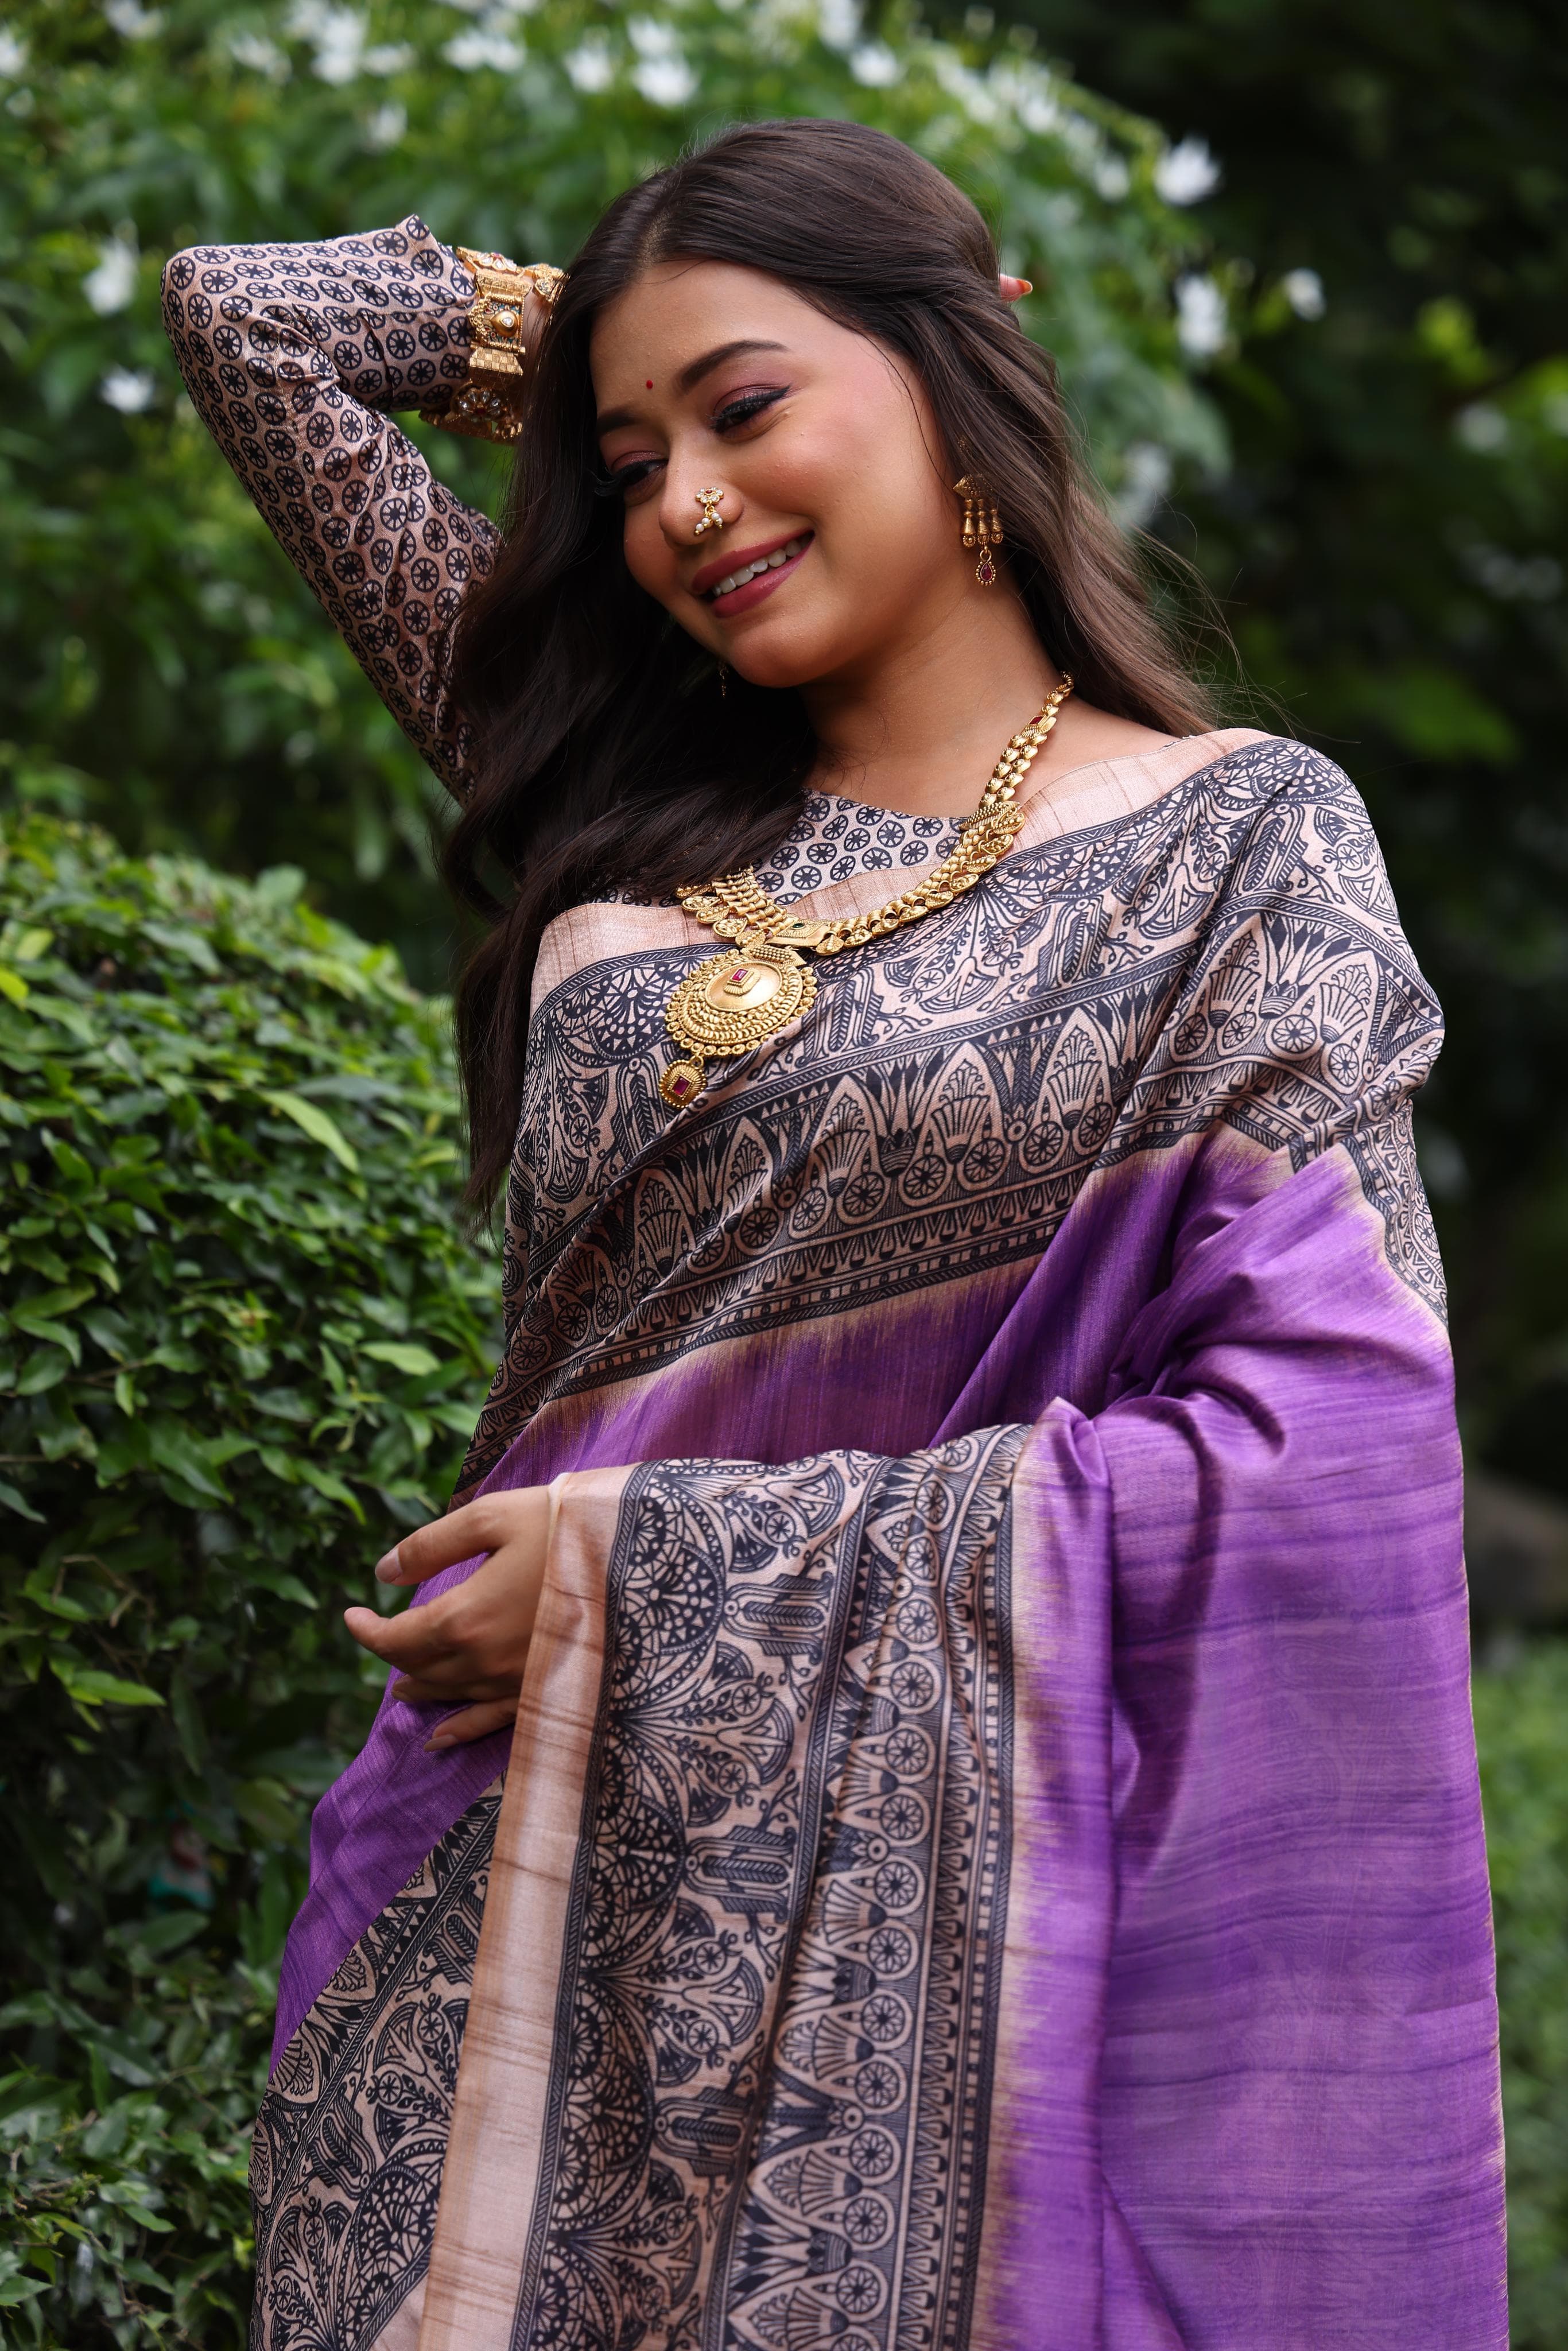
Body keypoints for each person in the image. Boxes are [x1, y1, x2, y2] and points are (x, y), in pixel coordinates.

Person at [162, 118, 1505, 2351]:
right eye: (626, 457)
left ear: (965, 357)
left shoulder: (1241, 848)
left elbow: (1324, 1457)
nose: (680, 502)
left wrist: (632, 1580)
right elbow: (249, 321)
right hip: (502, 1948)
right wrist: (574, 329)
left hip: (953, 1994)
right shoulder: (610, 798)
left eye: (744, 405)